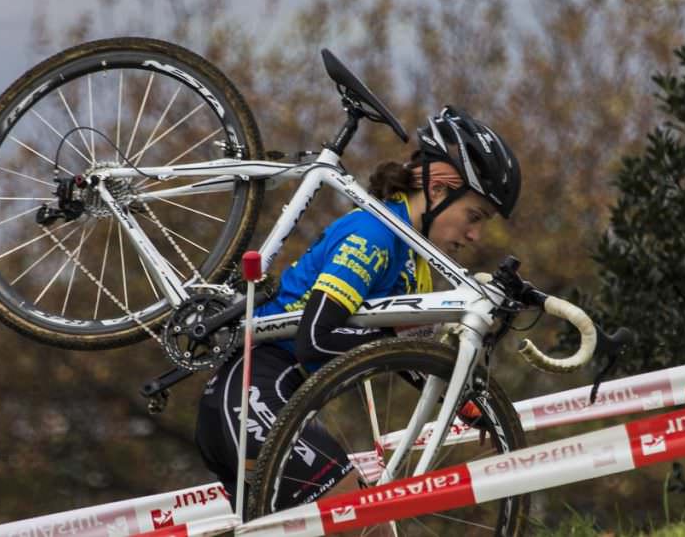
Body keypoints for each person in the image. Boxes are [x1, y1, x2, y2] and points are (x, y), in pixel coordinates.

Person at [194, 106, 521, 517]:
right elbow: (316, 341)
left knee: (370, 528)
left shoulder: (413, 263)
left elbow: (411, 362)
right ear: (438, 189)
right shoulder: (375, 234)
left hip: (261, 402)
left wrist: (470, 406)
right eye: (474, 216)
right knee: (368, 525)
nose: (475, 235)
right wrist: (390, 342)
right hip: (253, 393)